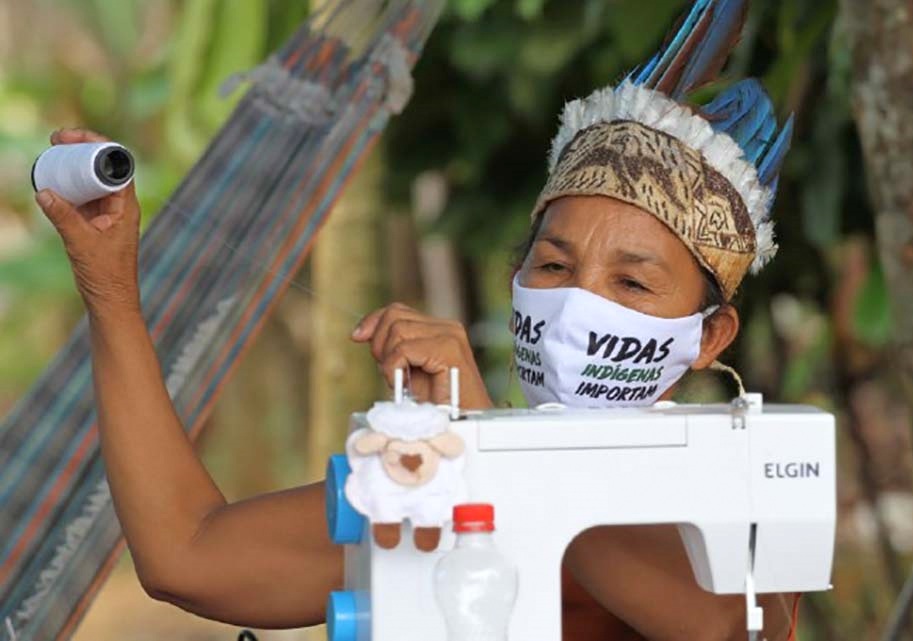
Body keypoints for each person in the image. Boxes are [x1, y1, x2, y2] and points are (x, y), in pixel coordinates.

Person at [33, 3, 797, 639]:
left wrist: (489, 442)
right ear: (515, 280)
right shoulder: (441, 470)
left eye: (631, 281)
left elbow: (719, 624)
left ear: (707, 336)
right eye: (555, 267)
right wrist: (111, 290)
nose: (579, 303)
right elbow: (188, 557)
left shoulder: (746, 485)